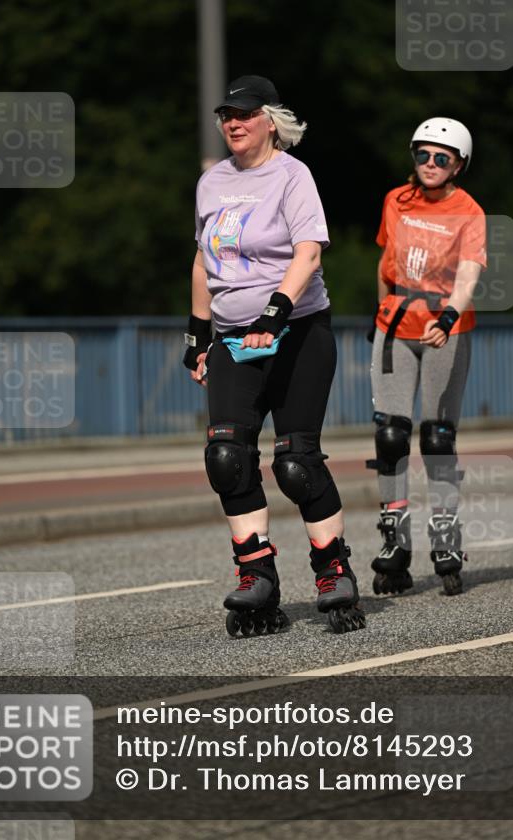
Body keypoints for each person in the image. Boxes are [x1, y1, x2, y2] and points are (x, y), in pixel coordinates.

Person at [183, 75, 364, 636]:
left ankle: (333, 568)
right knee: (226, 457)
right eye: (225, 115)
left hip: (297, 330)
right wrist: (197, 337)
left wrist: (275, 313)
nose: (233, 123)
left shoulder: (293, 176)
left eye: (244, 114)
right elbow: (201, 261)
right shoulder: (211, 183)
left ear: (270, 121)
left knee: (295, 462)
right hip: (234, 336)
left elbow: (308, 251)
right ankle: (255, 573)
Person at [367, 117, 486, 596]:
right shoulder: (396, 200)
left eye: (442, 157)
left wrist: (450, 317)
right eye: (423, 155)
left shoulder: (470, 211)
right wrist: (379, 311)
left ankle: (445, 536)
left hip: (445, 329)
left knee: (436, 438)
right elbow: (385, 263)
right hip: (396, 326)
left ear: (458, 165)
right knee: (390, 435)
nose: (431, 164)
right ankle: (395, 544)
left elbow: (469, 275)